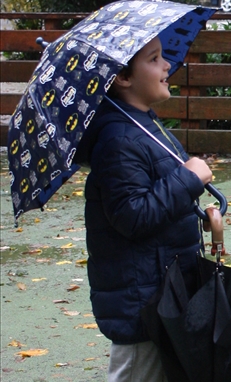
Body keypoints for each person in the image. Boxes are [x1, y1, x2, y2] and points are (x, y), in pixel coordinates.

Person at [78, 36, 213, 382]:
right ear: (123, 77)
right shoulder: (119, 140)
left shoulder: (143, 126)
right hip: (141, 302)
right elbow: (133, 215)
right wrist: (188, 179)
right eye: (154, 59)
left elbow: (161, 197)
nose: (167, 65)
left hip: (165, 292)